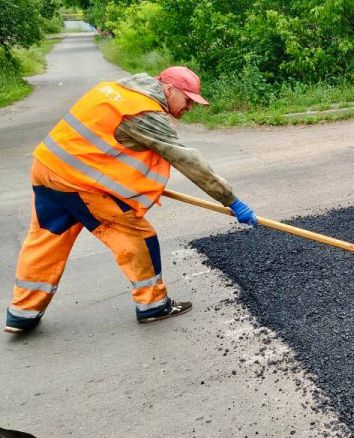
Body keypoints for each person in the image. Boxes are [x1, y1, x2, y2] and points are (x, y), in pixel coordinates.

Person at [4, 66, 257, 334]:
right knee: (137, 237)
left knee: (46, 240)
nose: (190, 107)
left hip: (47, 169)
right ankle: (153, 305)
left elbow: (103, 145)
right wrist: (230, 200)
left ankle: (23, 313)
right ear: (169, 90)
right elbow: (187, 160)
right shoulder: (144, 112)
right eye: (188, 100)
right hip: (78, 183)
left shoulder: (118, 91)